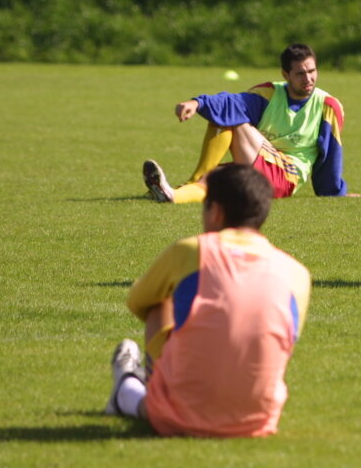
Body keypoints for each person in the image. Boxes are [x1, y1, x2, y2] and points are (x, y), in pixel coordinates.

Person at [103, 163, 311, 437]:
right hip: (258, 420)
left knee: (160, 303)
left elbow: (137, 301)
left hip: (179, 416)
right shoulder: (297, 273)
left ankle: (129, 391)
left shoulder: (192, 251)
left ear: (216, 212)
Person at [142, 43, 348, 204]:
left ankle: (193, 179)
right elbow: (232, 102)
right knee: (213, 180)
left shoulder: (328, 106)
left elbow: (331, 152)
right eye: (300, 73)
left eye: (312, 71)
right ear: (286, 75)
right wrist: (198, 103)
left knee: (230, 117)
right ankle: (172, 195)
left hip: (285, 178)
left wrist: (333, 192)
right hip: (257, 170)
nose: (308, 79)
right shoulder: (267, 94)